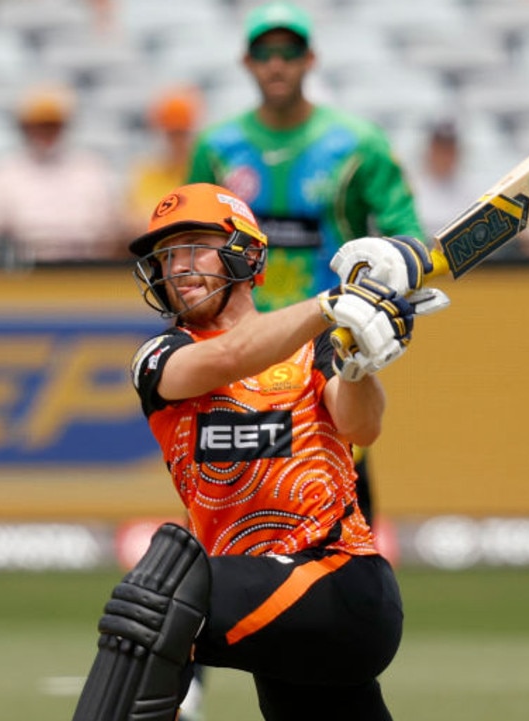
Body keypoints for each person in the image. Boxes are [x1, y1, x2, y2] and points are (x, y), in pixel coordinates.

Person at [70, 183, 445, 721]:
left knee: (160, 596)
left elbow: (362, 425)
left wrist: (359, 363)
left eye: (195, 246)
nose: (178, 267)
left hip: (338, 582)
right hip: (269, 607)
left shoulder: (313, 347)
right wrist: (333, 304)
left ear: (245, 254)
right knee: (170, 589)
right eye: (167, 255)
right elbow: (231, 357)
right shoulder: (159, 357)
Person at [186, 0, 426, 525]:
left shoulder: (357, 145)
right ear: (246, 62)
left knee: (341, 494)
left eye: (288, 52)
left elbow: (406, 236)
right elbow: (192, 246)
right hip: (239, 343)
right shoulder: (218, 147)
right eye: (264, 53)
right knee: (233, 496)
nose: (277, 64)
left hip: (327, 342)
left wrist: (386, 280)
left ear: (309, 58)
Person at [0, 84, 126, 263]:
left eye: (53, 125)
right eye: (40, 125)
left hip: (85, 268)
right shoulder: (5, 171)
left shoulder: (90, 167)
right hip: (25, 273)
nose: (46, 133)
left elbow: (114, 230)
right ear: (25, 127)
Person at [125, 85, 203, 235]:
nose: (177, 141)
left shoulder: (203, 169)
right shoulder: (145, 172)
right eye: (171, 133)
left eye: (182, 133)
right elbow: (133, 221)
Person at [409, 119, 479, 238]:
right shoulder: (410, 186)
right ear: (430, 149)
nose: (444, 156)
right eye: (440, 149)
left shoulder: (469, 190)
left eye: (449, 150)